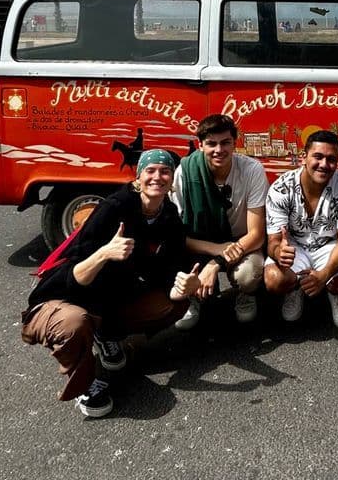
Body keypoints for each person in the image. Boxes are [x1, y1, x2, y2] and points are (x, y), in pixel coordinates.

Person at [20, 150, 200, 418]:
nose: (158, 177)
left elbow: (166, 271)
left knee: (174, 303)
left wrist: (184, 286)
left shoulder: (168, 214)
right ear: (138, 177)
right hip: (61, 299)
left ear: (172, 179)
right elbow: (75, 276)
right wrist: (104, 253)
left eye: (165, 171)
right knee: (74, 322)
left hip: (106, 299)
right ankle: (84, 383)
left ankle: (106, 335)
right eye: (150, 171)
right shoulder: (114, 208)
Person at [171, 114, 268, 328]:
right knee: (174, 254)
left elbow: (257, 234)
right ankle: (193, 297)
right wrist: (216, 249)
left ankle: (246, 293)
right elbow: (177, 234)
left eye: (225, 143)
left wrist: (216, 264)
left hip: (241, 242)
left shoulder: (252, 170)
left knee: (248, 275)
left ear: (235, 143)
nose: (219, 150)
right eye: (211, 144)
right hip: (201, 241)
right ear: (200, 145)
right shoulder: (185, 172)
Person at [263, 130, 338, 328]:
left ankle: (333, 292)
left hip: (329, 245)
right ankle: (296, 288)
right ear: (303, 157)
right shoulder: (281, 188)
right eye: (318, 156)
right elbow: (273, 241)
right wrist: (278, 252)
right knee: (274, 280)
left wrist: (324, 275)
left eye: (331, 159)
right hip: (295, 245)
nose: (324, 164)